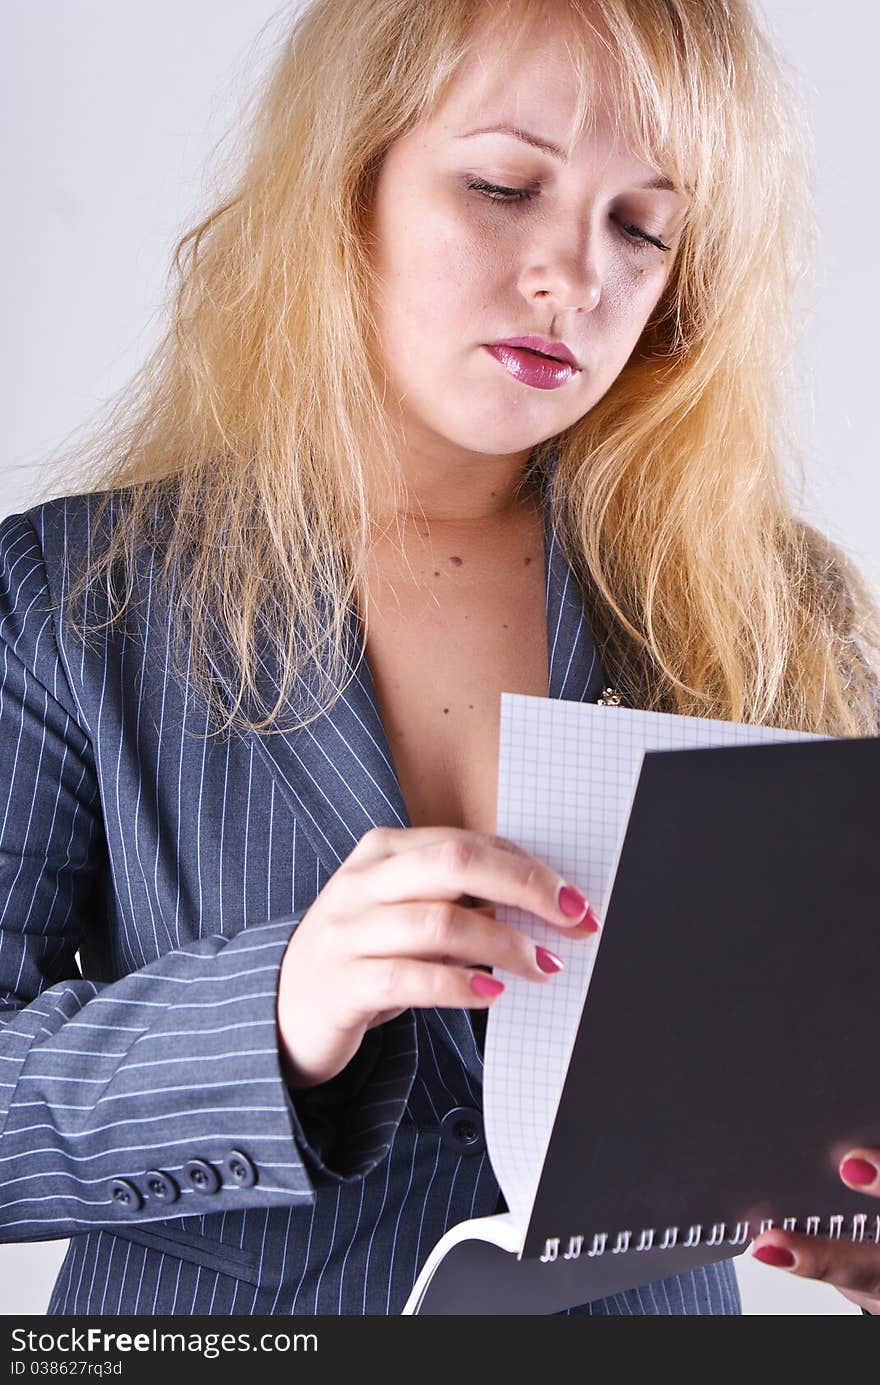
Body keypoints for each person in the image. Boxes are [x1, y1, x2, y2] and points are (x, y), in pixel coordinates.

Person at [1, 0, 879, 1319]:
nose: (575, 279)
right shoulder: (67, 599)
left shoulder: (774, 603)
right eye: (503, 185)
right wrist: (278, 1012)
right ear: (344, 182)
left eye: (641, 226)